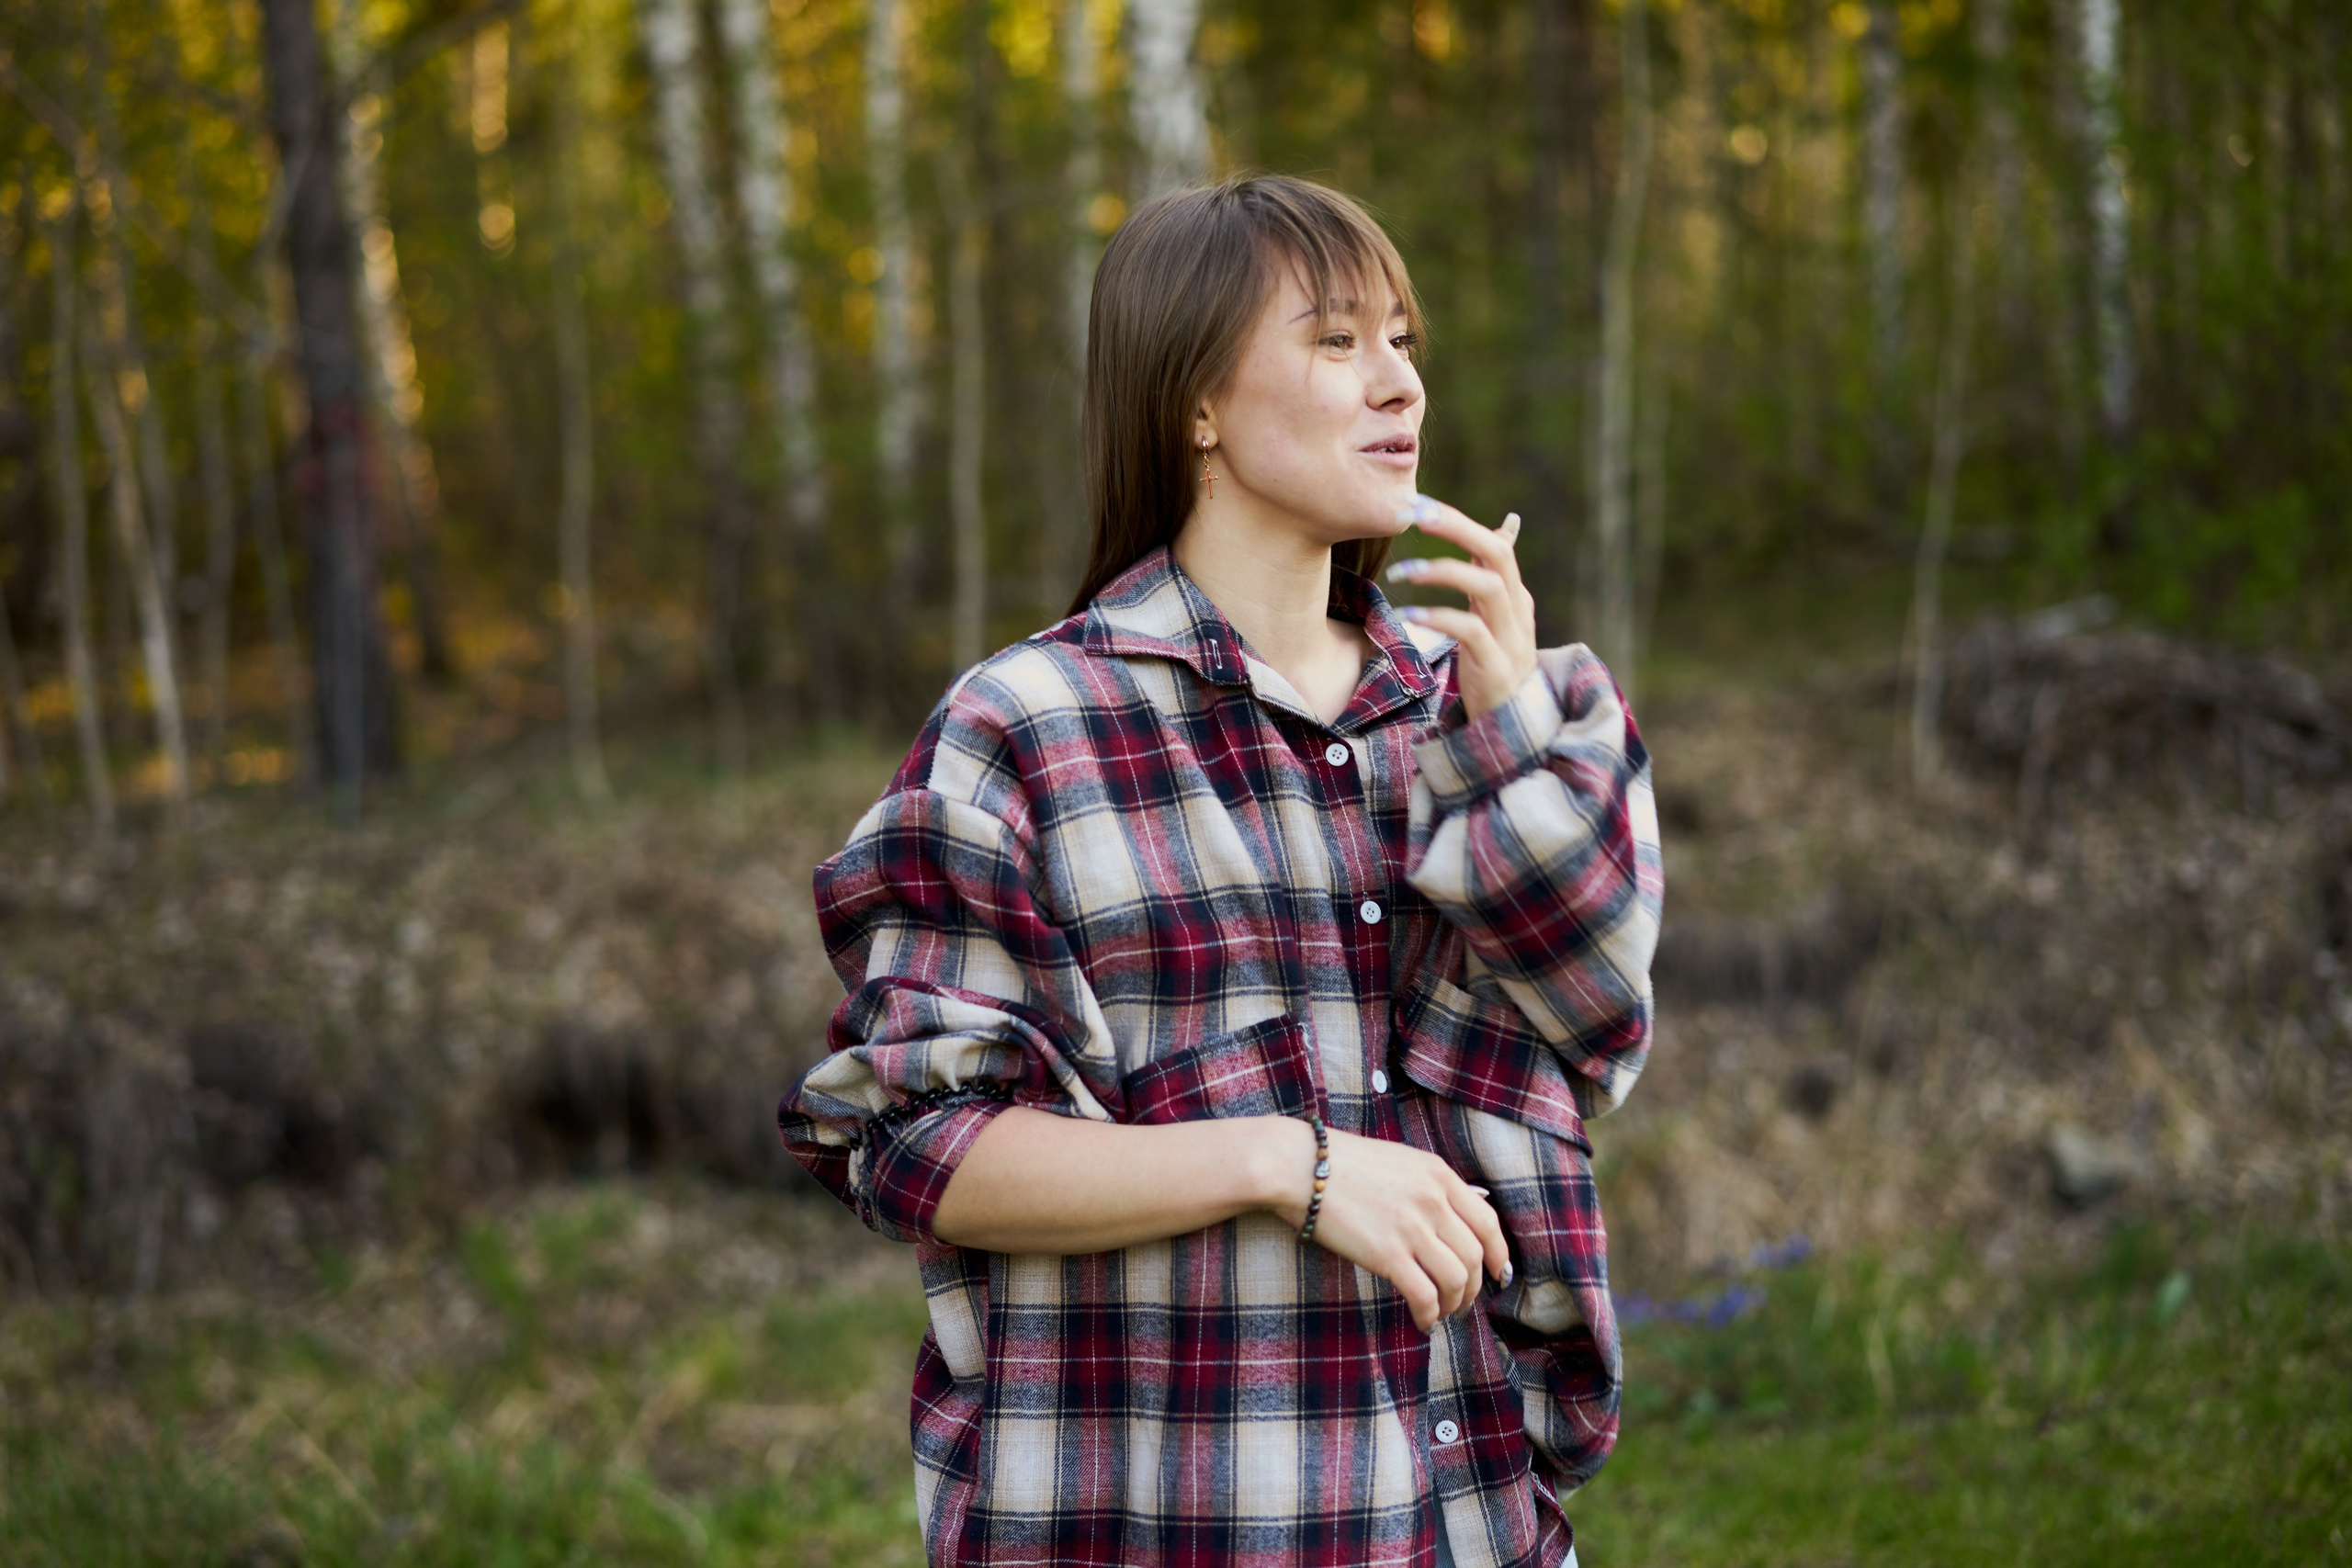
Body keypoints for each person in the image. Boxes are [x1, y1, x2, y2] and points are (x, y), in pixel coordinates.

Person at [780, 174, 1661, 1568]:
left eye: (1405, 340)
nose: (1398, 386)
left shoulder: (1481, 710)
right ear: (1194, 402)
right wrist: (1284, 1165)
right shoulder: (1028, 734)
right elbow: (912, 1146)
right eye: (1335, 340)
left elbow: (1597, 1040)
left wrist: (1507, 755)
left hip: (1468, 1515)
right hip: (1174, 1518)